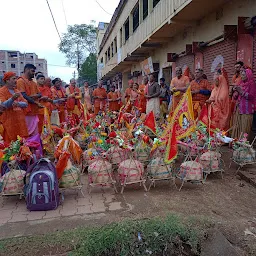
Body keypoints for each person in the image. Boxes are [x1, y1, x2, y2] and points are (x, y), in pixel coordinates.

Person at [0, 72, 28, 143]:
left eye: (16, 78)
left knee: (21, 143)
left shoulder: (17, 91)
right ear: (7, 80)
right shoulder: (2, 91)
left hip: (20, 122)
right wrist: (12, 99)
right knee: (10, 144)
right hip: (8, 122)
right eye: (14, 78)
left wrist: (17, 103)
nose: (16, 80)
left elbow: (25, 103)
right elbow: (3, 105)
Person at [16, 64, 42, 137]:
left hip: (34, 111)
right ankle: (27, 148)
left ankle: (34, 147)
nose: (34, 73)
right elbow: (23, 95)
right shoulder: (20, 81)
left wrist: (32, 96)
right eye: (32, 71)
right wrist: (35, 102)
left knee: (35, 133)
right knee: (26, 133)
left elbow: (40, 94)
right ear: (26, 70)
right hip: (26, 112)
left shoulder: (34, 83)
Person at [231, 68, 256, 138]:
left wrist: (241, 92)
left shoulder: (252, 84)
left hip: (247, 110)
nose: (242, 76)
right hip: (239, 109)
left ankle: (243, 145)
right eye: (241, 75)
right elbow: (236, 97)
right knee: (237, 127)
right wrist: (235, 92)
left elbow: (251, 96)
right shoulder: (241, 83)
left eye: (243, 74)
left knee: (245, 129)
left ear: (248, 75)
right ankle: (236, 143)